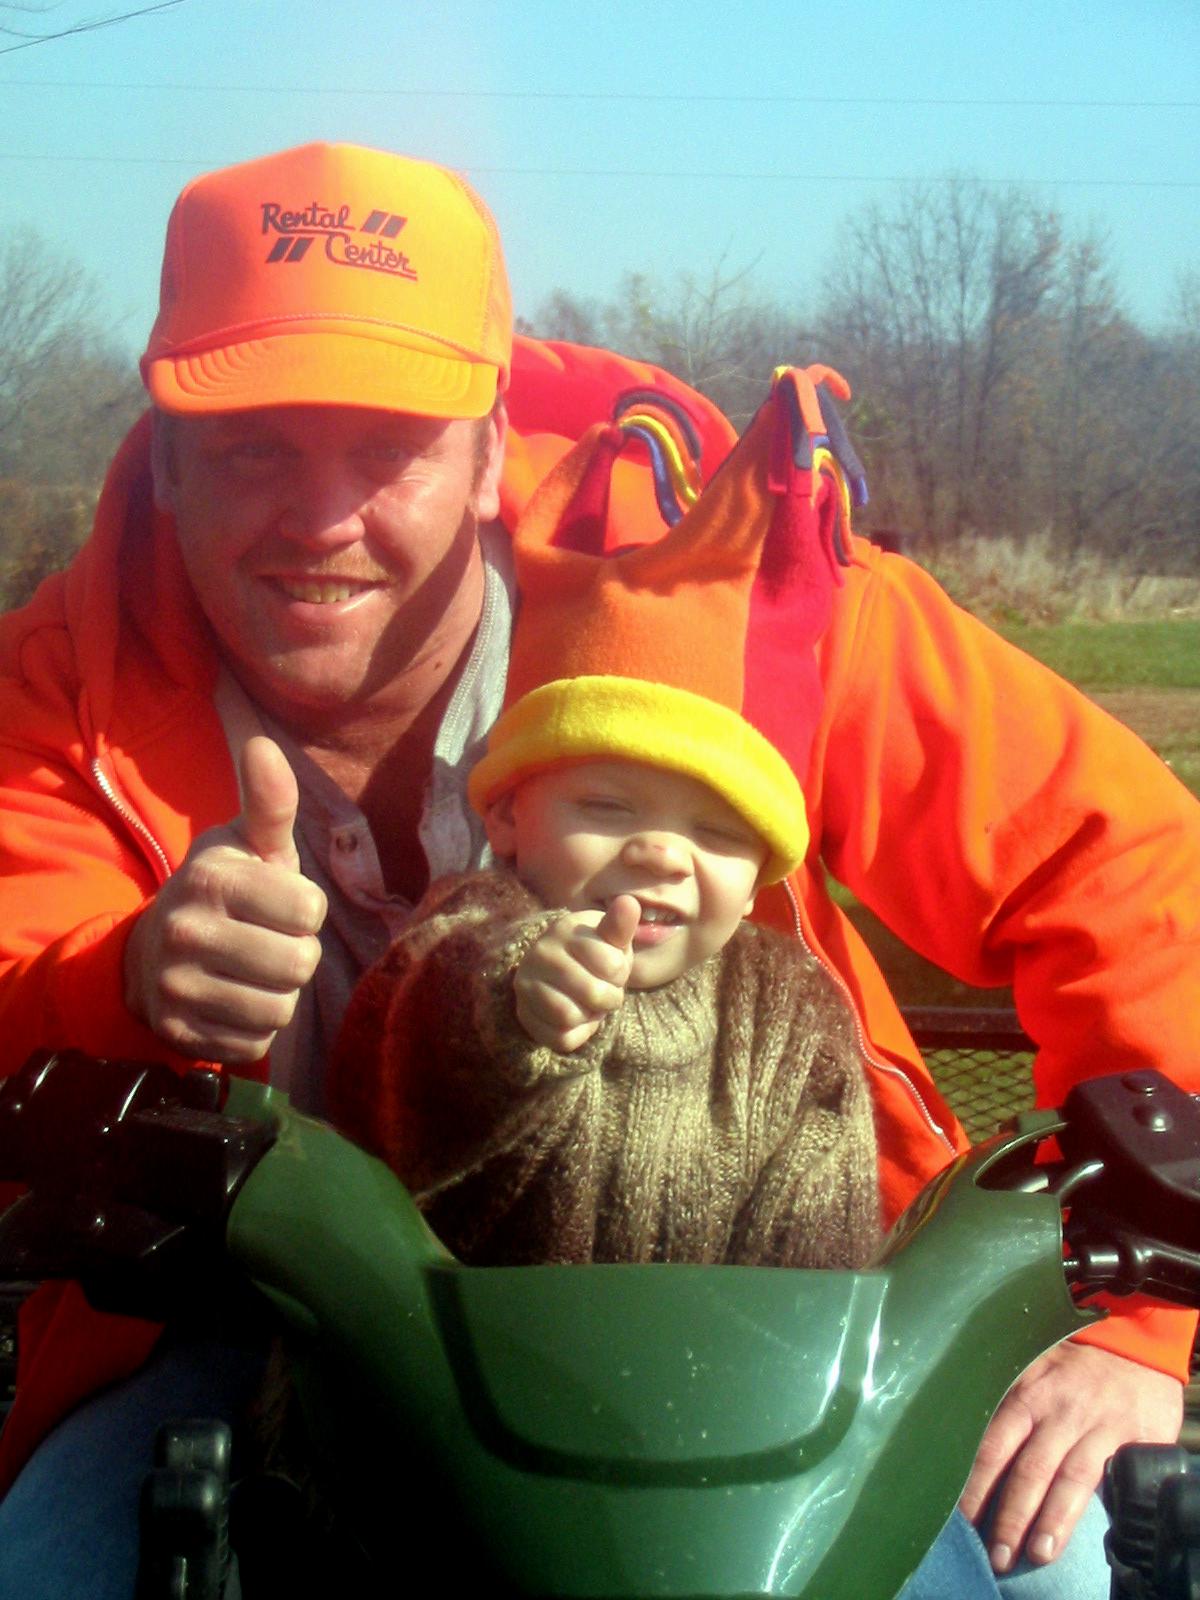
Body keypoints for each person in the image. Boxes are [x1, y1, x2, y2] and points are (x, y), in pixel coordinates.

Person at [0, 139, 1194, 1597]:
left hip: (779, 1292)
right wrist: (123, 981)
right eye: (254, 446)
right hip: (254, 1326)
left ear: (487, 448)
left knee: (1054, 1570)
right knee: (51, 1566)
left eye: (389, 447)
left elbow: (1120, 861)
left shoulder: (727, 593)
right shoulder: (53, 693)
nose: (321, 519)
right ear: (167, 460)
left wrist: (1139, 1327)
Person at [329, 385, 881, 1272]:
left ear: (758, 880)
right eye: (608, 807)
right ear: (507, 814)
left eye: (717, 832)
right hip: (452, 1354)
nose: (661, 852)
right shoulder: (470, 930)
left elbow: (822, 1251)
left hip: (717, 1361)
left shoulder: (790, 1015)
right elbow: (414, 1050)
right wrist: (513, 1008)